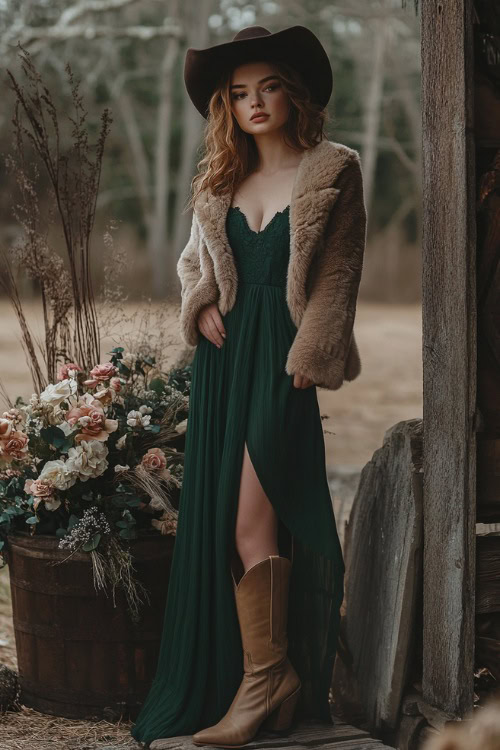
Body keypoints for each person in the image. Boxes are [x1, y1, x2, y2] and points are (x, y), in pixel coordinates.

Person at [130, 24, 367, 748]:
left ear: (293, 94)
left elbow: (338, 274)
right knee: (232, 523)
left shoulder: (333, 169)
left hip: (285, 358)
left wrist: (312, 352)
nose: (254, 102)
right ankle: (274, 676)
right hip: (226, 361)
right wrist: (198, 305)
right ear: (225, 108)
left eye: (267, 87)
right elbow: (192, 264)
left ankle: (268, 680)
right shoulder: (219, 182)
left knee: (250, 519)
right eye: (238, 93)